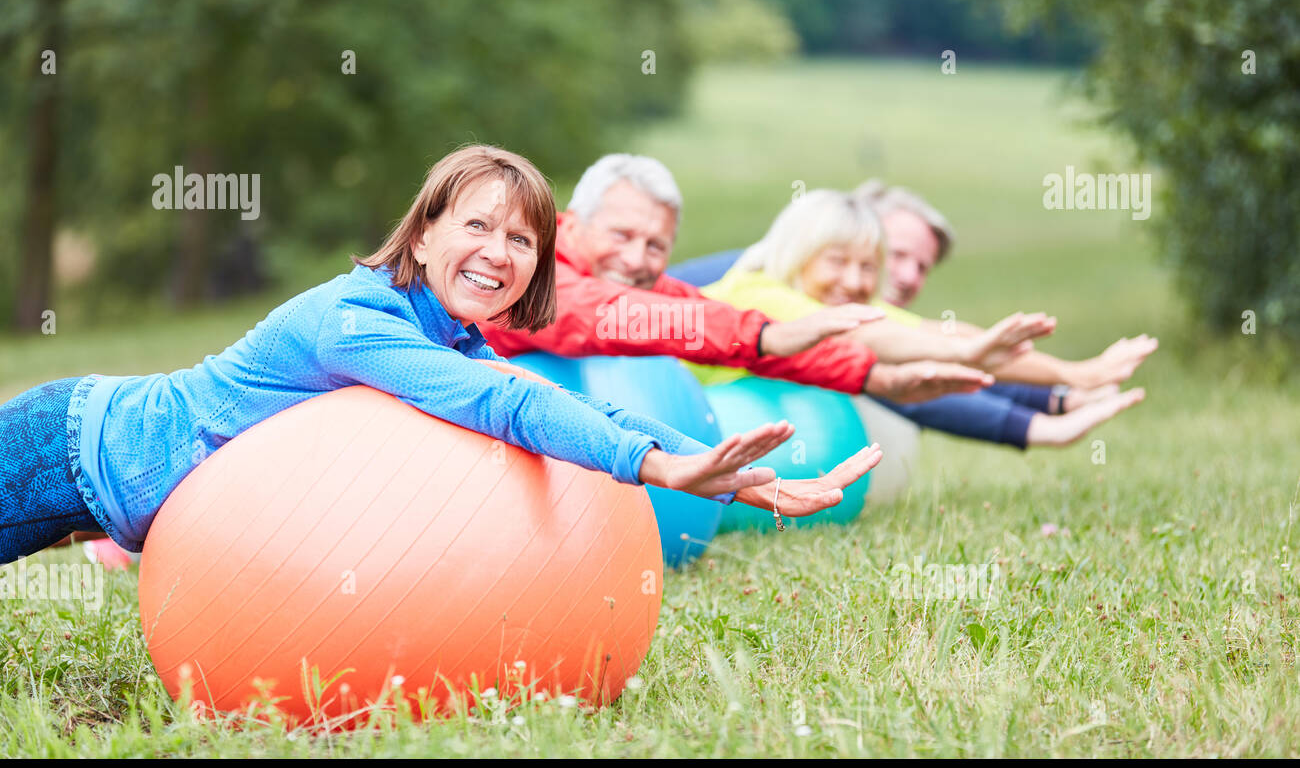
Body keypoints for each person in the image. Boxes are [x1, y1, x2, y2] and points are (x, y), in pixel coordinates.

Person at [0, 146, 883, 566]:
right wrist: (661, 466)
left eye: (525, 240)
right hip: (81, 447)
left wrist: (728, 477)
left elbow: (558, 398)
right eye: (478, 226)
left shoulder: (457, 332)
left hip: (139, 499)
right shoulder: (357, 320)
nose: (501, 252)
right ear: (423, 236)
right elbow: (511, 409)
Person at [481, 154, 1040, 404]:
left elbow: (731, 341)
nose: (636, 258)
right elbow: (601, 315)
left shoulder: (649, 289)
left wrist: (874, 378)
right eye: (621, 235)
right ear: (571, 225)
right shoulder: (529, 271)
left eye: (656, 245)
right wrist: (762, 334)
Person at [695, 189, 1147, 450]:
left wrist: (1069, 375)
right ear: (798, 255)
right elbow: (882, 340)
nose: (854, 281)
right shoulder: (761, 293)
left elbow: (937, 332)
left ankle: (1055, 405)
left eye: (868, 267)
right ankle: (1046, 417)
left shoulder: (834, 306)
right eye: (836, 261)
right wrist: (1073, 375)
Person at [863, 180, 1158, 392]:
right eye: (897, 254)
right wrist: (1073, 377)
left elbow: (939, 336)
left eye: (922, 267)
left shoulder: (874, 315)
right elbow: (942, 344)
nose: (909, 277)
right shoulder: (834, 311)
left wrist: (1061, 394)